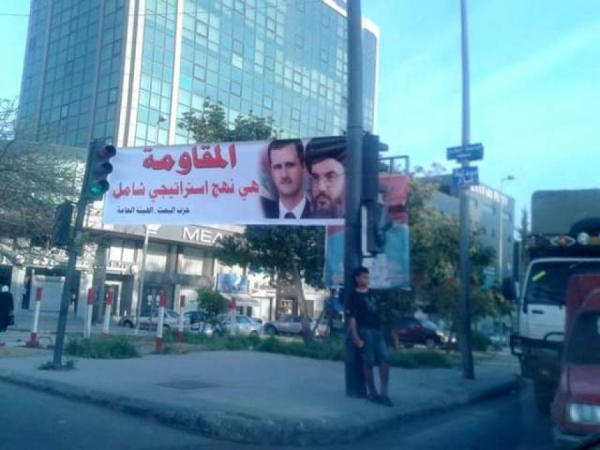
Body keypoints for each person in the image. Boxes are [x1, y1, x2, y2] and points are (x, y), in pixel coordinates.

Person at [347, 266, 392, 406]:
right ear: (357, 278)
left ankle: (384, 392)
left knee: (385, 359)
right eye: (364, 277)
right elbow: (352, 318)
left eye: (368, 277)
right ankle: (372, 392)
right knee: (368, 361)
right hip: (364, 330)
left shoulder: (373, 294)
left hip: (377, 330)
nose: (367, 279)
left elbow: (380, 312)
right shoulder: (354, 295)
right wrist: (355, 336)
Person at [261, 139, 311, 219]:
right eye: (277, 167)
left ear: (304, 167)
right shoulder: (262, 213)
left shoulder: (319, 214)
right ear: (271, 172)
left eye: (290, 165)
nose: (284, 175)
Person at [305, 137, 346, 218]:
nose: (321, 187)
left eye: (330, 177)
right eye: (315, 177)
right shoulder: (302, 219)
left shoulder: (364, 220)